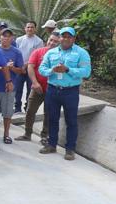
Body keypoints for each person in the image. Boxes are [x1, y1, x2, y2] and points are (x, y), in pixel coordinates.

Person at [38, 27, 91, 160]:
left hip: (70, 91)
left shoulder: (81, 53)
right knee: (52, 119)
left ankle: (70, 149)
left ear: (74, 38)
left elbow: (86, 72)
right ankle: (51, 145)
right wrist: (52, 70)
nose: (66, 39)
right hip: (52, 90)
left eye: (69, 36)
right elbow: (41, 69)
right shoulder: (51, 52)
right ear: (59, 38)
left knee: (71, 121)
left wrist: (68, 69)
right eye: (63, 36)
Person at [17, 33, 59, 144]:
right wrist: (35, 83)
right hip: (37, 88)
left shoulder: (61, 55)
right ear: (47, 40)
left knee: (48, 113)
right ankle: (27, 134)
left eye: (55, 41)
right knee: (30, 110)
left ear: (59, 43)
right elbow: (30, 67)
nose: (52, 43)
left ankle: (45, 136)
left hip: (52, 90)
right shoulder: (38, 52)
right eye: (51, 40)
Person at [0, 27, 25, 144]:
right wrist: (2, 67)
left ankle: (6, 134)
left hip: (9, 88)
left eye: (8, 36)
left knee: (7, 113)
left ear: (12, 38)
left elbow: (22, 71)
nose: (6, 38)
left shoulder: (16, 52)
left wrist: (12, 68)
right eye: (4, 35)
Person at [15, 21, 45, 112]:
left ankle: (27, 107)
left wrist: (26, 65)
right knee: (18, 89)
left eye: (32, 27)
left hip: (31, 69)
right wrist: (20, 66)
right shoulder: (19, 40)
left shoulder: (39, 41)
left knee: (29, 89)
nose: (30, 29)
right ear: (25, 29)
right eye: (28, 27)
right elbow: (16, 53)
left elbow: (37, 56)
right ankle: (17, 108)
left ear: (35, 29)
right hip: (20, 69)